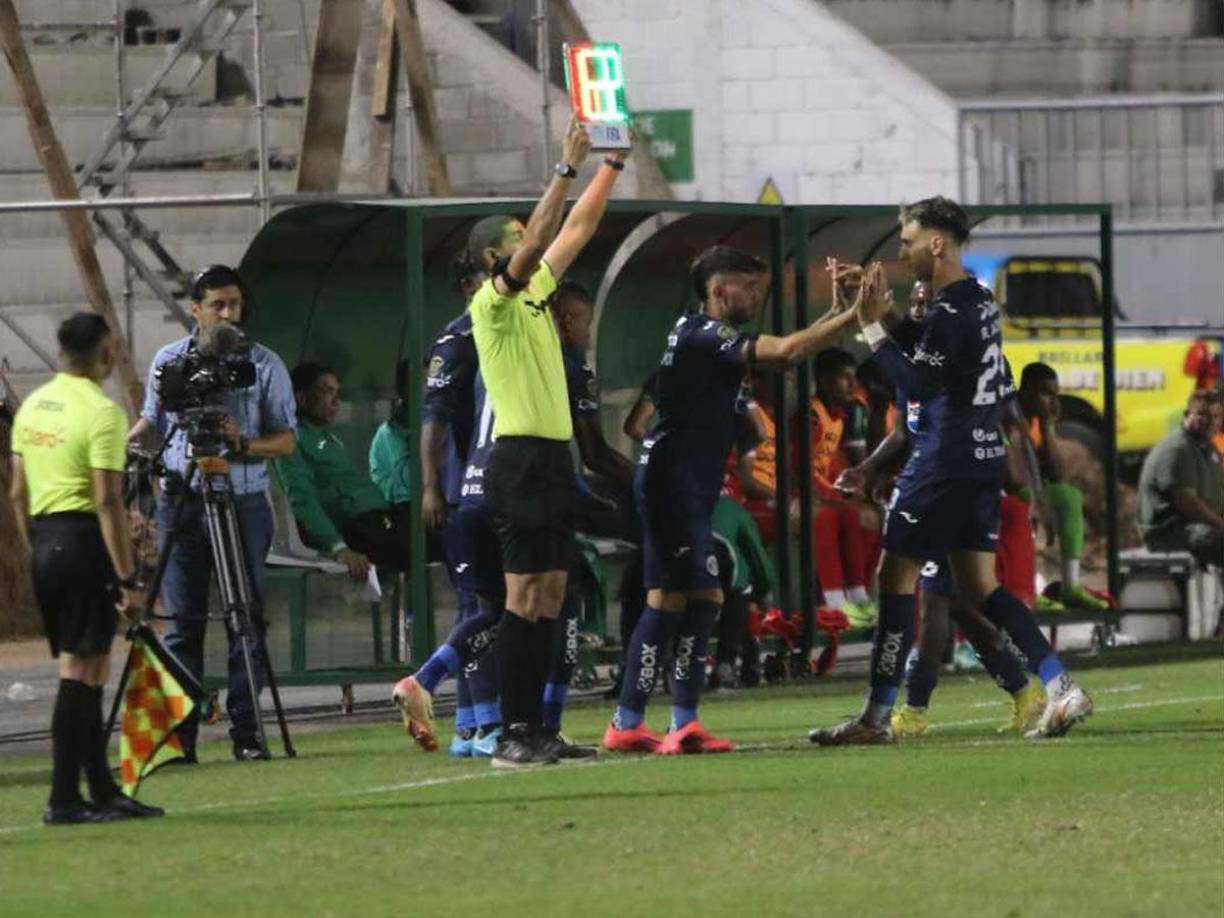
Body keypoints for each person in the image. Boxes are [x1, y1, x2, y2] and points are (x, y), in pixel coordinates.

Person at [810, 197, 1092, 746]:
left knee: (895, 577)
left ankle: (875, 717)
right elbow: (929, 350)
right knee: (981, 588)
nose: (904, 252)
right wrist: (884, 311)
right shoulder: (976, 301)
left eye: (909, 242)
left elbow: (917, 384)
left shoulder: (952, 309)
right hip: (981, 460)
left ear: (936, 244)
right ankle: (1061, 686)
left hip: (942, 460)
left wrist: (868, 326)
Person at [399, 117, 624, 767]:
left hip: (551, 461)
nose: (531, 239)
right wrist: (563, 170)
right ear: (492, 259)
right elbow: (539, 245)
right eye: (517, 237)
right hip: (517, 463)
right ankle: (514, 734)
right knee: (524, 602)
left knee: (550, 599)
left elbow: (576, 229)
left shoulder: (538, 293)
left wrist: (611, 164)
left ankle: (537, 731)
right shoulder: (491, 307)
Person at [603, 246, 860, 755]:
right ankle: (664, 721)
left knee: (680, 599)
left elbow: (787, 348)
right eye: (750, 288)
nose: (757, 297)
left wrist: (840, 309)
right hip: (672, 482)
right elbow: (787, 352)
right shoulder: (702, 333)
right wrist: (853, 316)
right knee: (697, 598)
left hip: (686, 483)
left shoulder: (707, 340)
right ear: (719, 290)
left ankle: (644, 721)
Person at [128, 264, 297, 762]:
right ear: (196, 309)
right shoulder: (169, 361)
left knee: (247, 618)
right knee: (182, 623)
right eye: (217, 305)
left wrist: (241, 442)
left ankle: (247, 729)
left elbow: (287, 439)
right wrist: (129, 445)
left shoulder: (263, 364)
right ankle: (180, 737)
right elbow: (151, 421)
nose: (228, 313)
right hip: (181, 499)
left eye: (235, 304)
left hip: (242, 502)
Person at [9, 313, 163, 824]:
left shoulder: (33, 405)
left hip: (46, 539)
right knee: (82, 669)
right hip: (83, 540)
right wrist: (127, 577)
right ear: (105, 352)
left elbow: (16, 492)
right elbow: (107, 500)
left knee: (87, 667)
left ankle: (100, 790)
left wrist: (38, 544)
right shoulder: (102, 411)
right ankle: (63, 798)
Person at [276, 362, 411, 580]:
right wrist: (338, 547)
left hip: (381, 514)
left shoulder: (330, 438)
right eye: (328, 392)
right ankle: (411, 610)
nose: (337, 401)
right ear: (302, 398)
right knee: (409, 548)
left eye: (338, 392)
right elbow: (301, 498)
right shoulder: (291, 441)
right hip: (355, 525)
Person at [1017, 362, 1110, 611]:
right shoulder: (1010, 417)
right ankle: (1025, 590)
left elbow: (1057, 474)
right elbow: (1013, 475)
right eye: (1046, 393)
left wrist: (1048, 426)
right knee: (1022, 500)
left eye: (1055, 395)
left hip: (1027, 490)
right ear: (1026, 391)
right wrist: (1037, 502)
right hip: (1003, 491)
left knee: (1068, 496)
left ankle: (1071, 585)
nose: (1052, 401)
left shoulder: (1036, 422)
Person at [800, 347, 879, 626]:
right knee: (836, 515)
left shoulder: (841, 416)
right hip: (802, 492)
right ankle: (833, 601)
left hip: (824, 489)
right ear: (823, 381)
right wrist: (827, 496)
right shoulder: (811, 414)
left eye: (853, 378)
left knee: (871, 516)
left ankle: (859, 594)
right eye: (844, 378)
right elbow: (798, 469)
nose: (852, 385)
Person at [1138, 390, 1224, 568]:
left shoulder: (1208, 448)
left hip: (1198, 527)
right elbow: (1187, 503)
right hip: (1169, 533)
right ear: (1187, 414)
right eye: (1202, 414)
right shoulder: (1178, 448)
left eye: (1216, 416)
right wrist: (1221, 523)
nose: (1210, 421)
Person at [369, 359, 412, 508]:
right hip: (400, 509)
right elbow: (411, 480)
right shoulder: (389, 433)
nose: (427, 390)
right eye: (420, 383)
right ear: (402, 389)